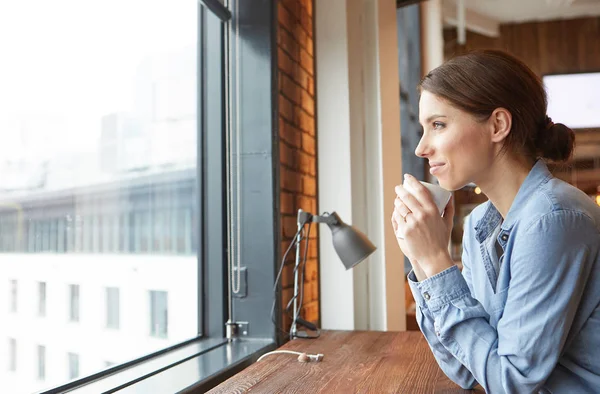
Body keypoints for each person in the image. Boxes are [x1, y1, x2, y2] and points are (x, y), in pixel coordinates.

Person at [391, 49, 600, 394]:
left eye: (438, 125)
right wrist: (421, 257)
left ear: (498, 125)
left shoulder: (554, 219)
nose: (421, 148)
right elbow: (466, 369)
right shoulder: (478, 226)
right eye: (422, 128)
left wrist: (436, 261)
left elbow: (511, 382)